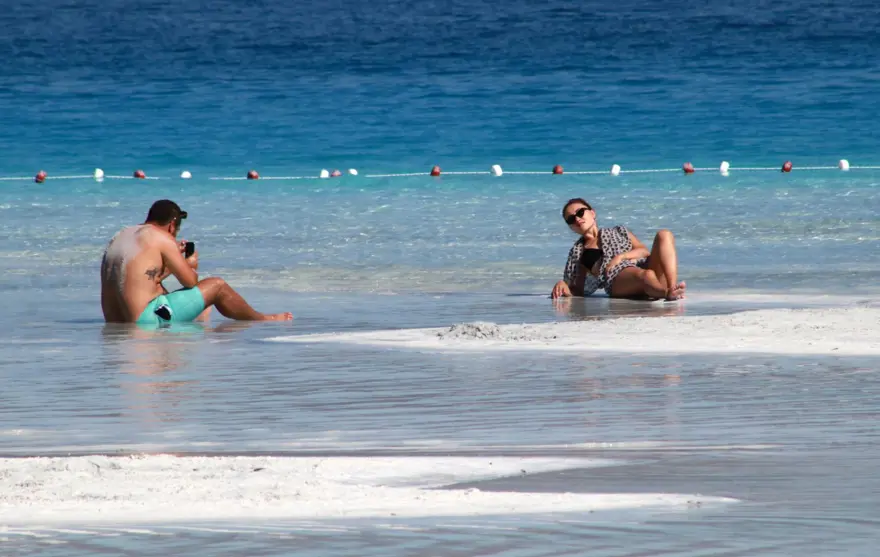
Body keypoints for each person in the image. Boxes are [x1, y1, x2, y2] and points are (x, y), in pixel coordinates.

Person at [101, 199, 292, 324]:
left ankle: (198, 326)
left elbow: (144, 280)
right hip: (147, 319)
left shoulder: (120, 236)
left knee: (195, 307)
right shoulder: (162, 237)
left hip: (115, 320)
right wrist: (189, 264)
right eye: (177, 230)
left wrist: (169, 265)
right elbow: (190, 282)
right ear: (172, 225)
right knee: (217, 286)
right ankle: (262, 319)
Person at [550, 198, 685, 301]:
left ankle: (672, 287)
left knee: (664, 235)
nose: (577, 219)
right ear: (570, 227)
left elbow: (644, 252)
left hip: (643, 270)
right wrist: (563, 285)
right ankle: (666, 293)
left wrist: (620, 257)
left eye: (580, 212)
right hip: (616, 281)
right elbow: (578, 289)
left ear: (592, 213)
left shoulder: (619, 231)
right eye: (571, 219)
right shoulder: (580, 252)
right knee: (646, 275)